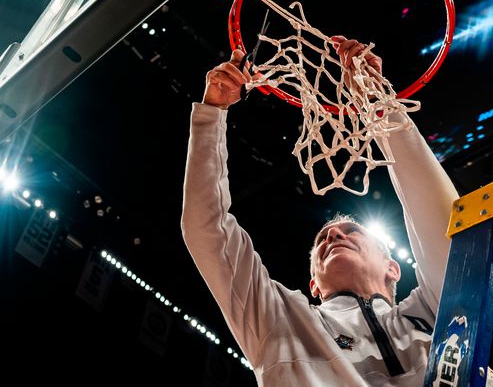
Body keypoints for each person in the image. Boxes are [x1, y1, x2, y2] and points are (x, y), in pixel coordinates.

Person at [181, 37, 459, 385]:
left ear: (393, 268)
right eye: (324, 240)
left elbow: (441, 219)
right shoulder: (281, 319)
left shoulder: (438, 306)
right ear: (314, 284)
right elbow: (207, 231)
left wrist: (378, 101)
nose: (334, 235)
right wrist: (212, 115)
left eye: (352, 232)